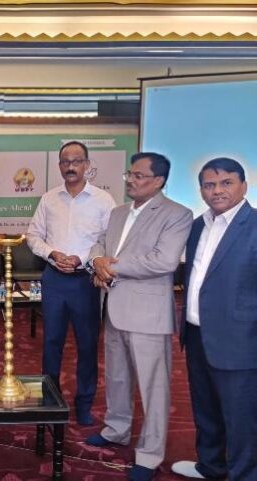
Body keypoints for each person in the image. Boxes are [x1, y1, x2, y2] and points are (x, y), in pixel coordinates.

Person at [85, 152, 193, 481]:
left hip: (148, 315)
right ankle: (116, 429)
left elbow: (163, 261)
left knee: (153, 388)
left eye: (138, 176)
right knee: (117, 378)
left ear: (158, 181)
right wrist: (96, 262)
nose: (130, 180)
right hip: (113, 307)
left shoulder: (177, 214)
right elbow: (99, 244)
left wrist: (109, 267)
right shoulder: (118, 212)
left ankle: (149, 454)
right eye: (129, 175)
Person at [171, 158, 257, 481]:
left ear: (243, 186)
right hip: (196, 334)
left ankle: (244, 474)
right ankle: (211, 466)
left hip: (241, 340)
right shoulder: (197, 226)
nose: (216, 190)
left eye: (226, 183)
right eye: (209, 185)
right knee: (205, 407)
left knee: (241, 417)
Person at [26, 140, 115, 425]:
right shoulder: (48, 198)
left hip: (85, 281)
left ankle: (84, 402)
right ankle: (50, 398)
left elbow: (108, 240)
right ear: (60, 166)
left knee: (87, 344)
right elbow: (33, 236)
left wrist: (83, 259)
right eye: (65, 162)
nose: (71, 166)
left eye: (77, 161)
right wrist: (52, 253)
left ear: (87, 165)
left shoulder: (103, 200)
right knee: (51, 342)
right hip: (54, 279)